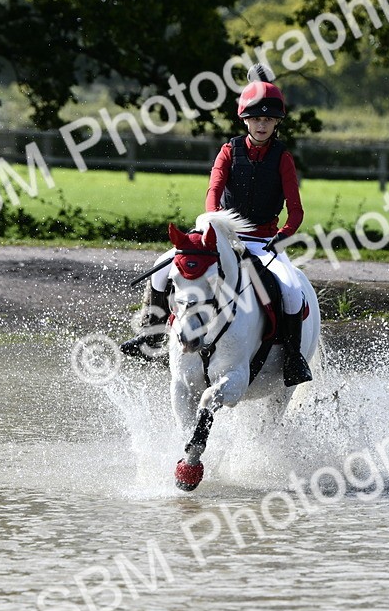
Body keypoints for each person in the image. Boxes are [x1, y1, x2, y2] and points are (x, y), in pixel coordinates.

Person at [121, 68, 312, 386]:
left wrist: (283, 236)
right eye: (256, 119)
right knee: (161, 267)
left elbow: (296, 210)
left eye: (268, 120)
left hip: (264, 242)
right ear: (245, 120)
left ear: (276, 123)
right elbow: (213, 192)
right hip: (222, 236)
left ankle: (293, 357)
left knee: (292, 290)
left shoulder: (283, 159)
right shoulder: (228, 151)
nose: (261, 125)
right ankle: (151, 334)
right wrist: (214, 222)